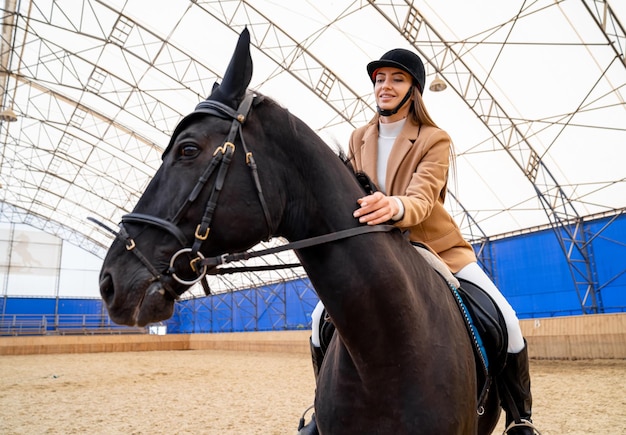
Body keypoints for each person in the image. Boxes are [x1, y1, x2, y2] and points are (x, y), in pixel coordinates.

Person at [306, 48, 537, 435]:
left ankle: (520, 418)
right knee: (318, 323)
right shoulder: (359, 138)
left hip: (436, 250)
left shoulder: (434, 139)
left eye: (396, 79)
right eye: (380, 79)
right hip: (374, 254)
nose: (385, 86)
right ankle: (322, 409)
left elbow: (423, 196)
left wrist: (394, 206)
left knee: (508, 322)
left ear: (413, 88)